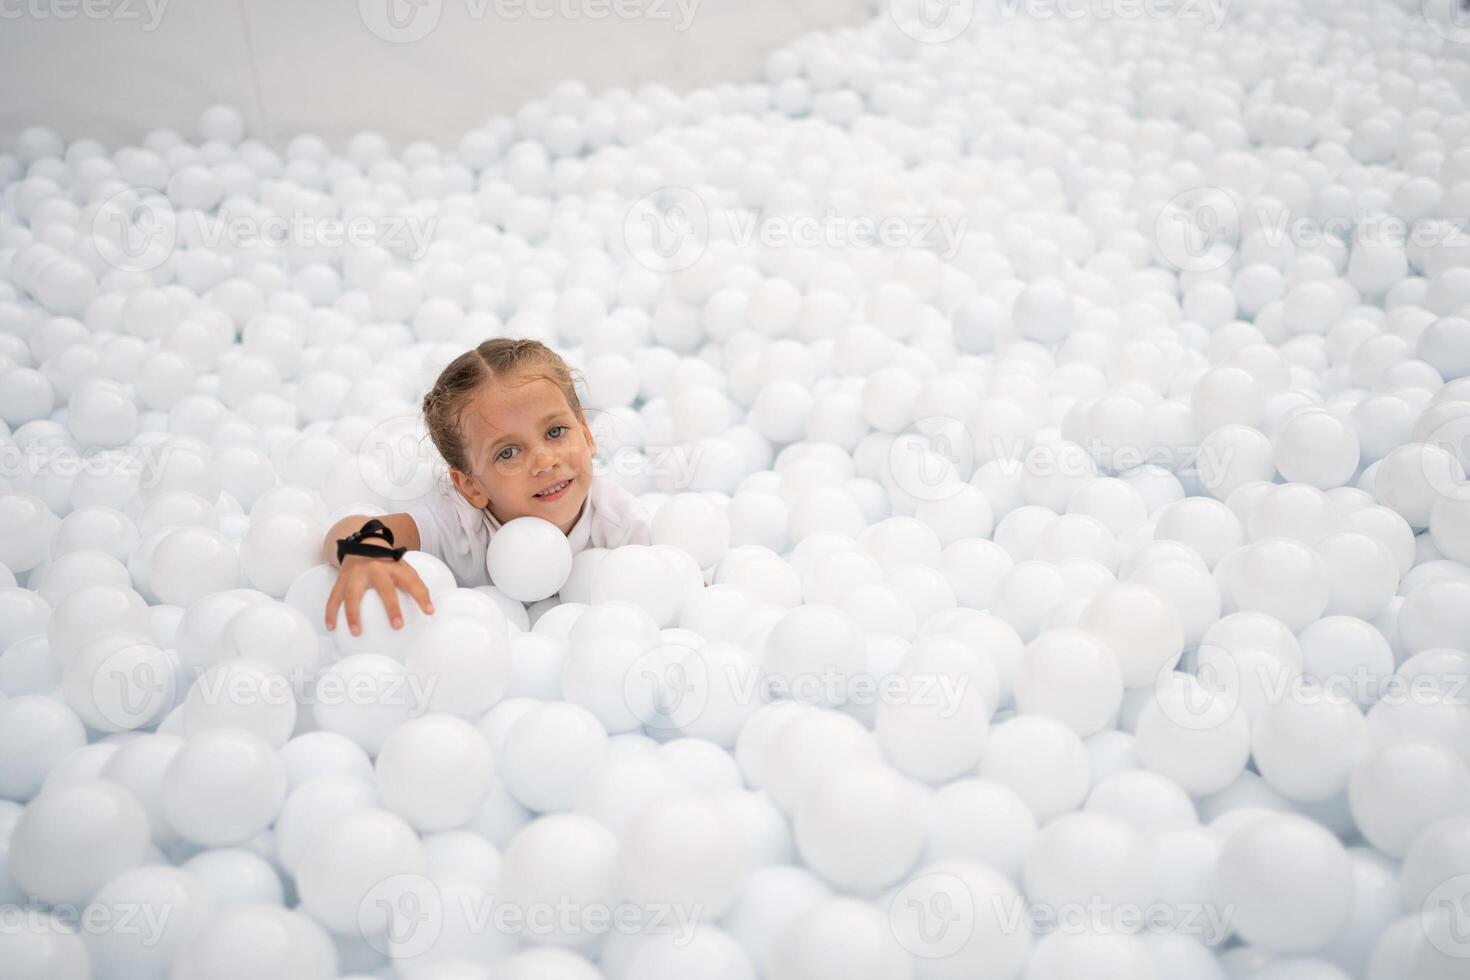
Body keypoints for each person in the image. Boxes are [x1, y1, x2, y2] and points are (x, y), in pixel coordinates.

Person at [322, 338, 652, 635]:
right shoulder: (460, 525)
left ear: (587, 434)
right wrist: (367, 555)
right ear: (471, 486)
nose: (544, 461)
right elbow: (350, 528)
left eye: (555, 432)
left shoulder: (619, 523)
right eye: (507, 453)